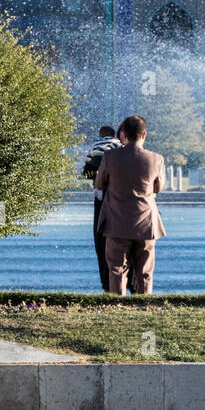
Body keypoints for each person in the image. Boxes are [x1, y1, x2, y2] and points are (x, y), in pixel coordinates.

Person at [95, 114, 166, 294]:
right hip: (145, 223)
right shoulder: (156, 159)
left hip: (116, 221)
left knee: (117, 268)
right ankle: (144, 306)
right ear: (144, 135)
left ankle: (117, 306)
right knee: (145, 271)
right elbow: (158, 188)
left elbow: (99, 184)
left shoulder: (110, 157)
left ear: (123, 134)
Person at [82, 124, 121, 291]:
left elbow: (86, 172)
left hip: (100, 196)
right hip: (115, 194)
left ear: (100, 134)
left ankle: (106, 284)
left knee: (101, 237)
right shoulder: (119, 145)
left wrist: (94, 178)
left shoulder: (96, 146)